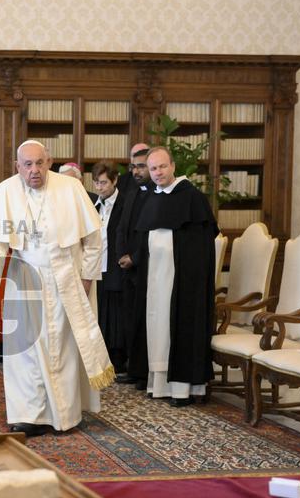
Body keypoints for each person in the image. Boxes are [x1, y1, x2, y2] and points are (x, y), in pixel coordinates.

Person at [0, 140, 113, 437]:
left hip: (67, 278)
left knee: (63, 348)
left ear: (49, 162)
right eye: (27, 164)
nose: (34, 170)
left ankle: (64, 415)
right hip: (24, 279)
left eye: (40, 163)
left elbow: (93, 239)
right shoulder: (5, 191)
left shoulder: (71, 188)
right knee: (26, 350)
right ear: (17, 166)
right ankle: (28, 414)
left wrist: (87, 278)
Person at [128, 147, 218, 407]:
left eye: (162, 167)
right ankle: (160, 384)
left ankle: (182, 388)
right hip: (156, 278)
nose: (157, 173)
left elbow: (199, 247)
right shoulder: (154, 198)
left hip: (182, 282)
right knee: (158, 327)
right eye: (153, 168)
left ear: (173, 166)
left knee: (178, 327)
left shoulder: (192, 198)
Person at [114, 143, 152, 387]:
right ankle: (134, 368)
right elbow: (121, 226)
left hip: (144, 266)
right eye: (134, 167)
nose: (136, 171)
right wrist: (121, 254)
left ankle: (144, 371)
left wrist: (135, 257)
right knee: (129, 319)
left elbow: (150, 234)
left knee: (143, 321)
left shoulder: (154, 195)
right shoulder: (132, 190)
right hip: (126, 266)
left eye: (141, 167)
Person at [91, 162, 126, 374]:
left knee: (116, 317)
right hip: (98, 267)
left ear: (114, 180)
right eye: (96, 182)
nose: (99, 187)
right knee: (101, 314)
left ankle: (119, 361)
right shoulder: (94, 204)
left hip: (116, 266)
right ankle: (103, 361)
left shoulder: (125, 202)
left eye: (104, 182)